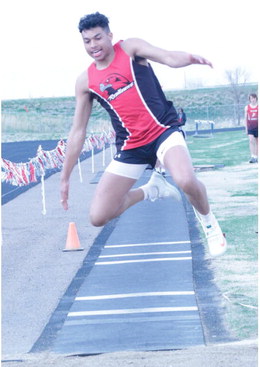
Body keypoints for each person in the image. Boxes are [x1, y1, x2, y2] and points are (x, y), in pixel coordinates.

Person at [60, 12, 227, 257]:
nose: (93, 45)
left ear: (109, 35)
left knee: (186, 180)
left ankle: (210, 225)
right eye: (87, 41)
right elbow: (78, 132)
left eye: (98, 38)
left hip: (162, 131)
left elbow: (169, 58)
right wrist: (65, 178)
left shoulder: (130, 49)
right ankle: (152, 189)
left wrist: (190, 58)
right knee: (98, 216)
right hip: (131, 146)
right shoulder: (85, 81)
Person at [245, 93, 258, 163]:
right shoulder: (247, 107)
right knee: (251, 140)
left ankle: (256, 157)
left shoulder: (258, 107)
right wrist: (246, 128)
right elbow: (245, 118)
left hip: (257, 127)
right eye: (251, 98)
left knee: (257, 142)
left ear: (256, 98)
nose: (252, 100)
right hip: (250, 127)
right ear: (249, 99)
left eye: (254, 98)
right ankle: (252, 156)